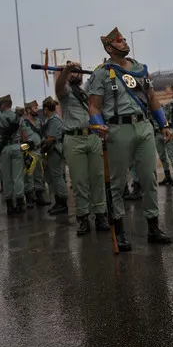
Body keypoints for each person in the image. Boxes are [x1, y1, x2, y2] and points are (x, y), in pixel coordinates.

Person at [86, 27, 172, 250]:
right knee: (117, 183)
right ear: (109, 48)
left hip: (143, 126)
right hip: (117, 129)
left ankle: (153, 227)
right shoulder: (102, 73)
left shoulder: (140, 69)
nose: (124, 43)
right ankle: (120, 231)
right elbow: (94, 106)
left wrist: (163, 124)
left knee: (149, 178)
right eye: (119, 41)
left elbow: (152, 98)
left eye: (124, 39)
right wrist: (98, 124)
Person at [55, 61, 110, 236]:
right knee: (79, 181)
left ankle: (100, 214)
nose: (74, 74)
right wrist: (66, 70)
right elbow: (59, 86)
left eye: (77, 71)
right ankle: (83, 217)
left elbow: (98, 84)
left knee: (97, 177)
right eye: (71, 72)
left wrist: (103, 68)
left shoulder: (87, 90)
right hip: (74, 138)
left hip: (93, 136)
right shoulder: (65, 92)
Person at [0, 94, 25, 215]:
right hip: (17, 147)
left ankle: (10, 206)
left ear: (3, 105)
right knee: (18, 177)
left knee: (7, 178)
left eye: (0, 104)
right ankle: (20, 203)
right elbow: (24, 136)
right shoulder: (18, 117)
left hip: (4, 149)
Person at [40, 96, 69, 215]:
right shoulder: (50, 120)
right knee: (52, 177)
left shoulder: (54, 120)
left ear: (46, 109)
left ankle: (63, 202)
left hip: (54, 150)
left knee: (57, 177)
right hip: (51, 150)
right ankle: (58, 201)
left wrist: (41, 145)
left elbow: (51, 138)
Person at [21, 100, 48, 208]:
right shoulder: (23, 122)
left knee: (39, 174)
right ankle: (29, 197)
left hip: (39, 150)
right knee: (28, 175)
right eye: (35, 108)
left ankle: (39, 196)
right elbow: (21, 138)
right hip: (29, 152)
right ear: (28, 110)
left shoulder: (39, 122)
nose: (37, 110)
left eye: (37, 107)